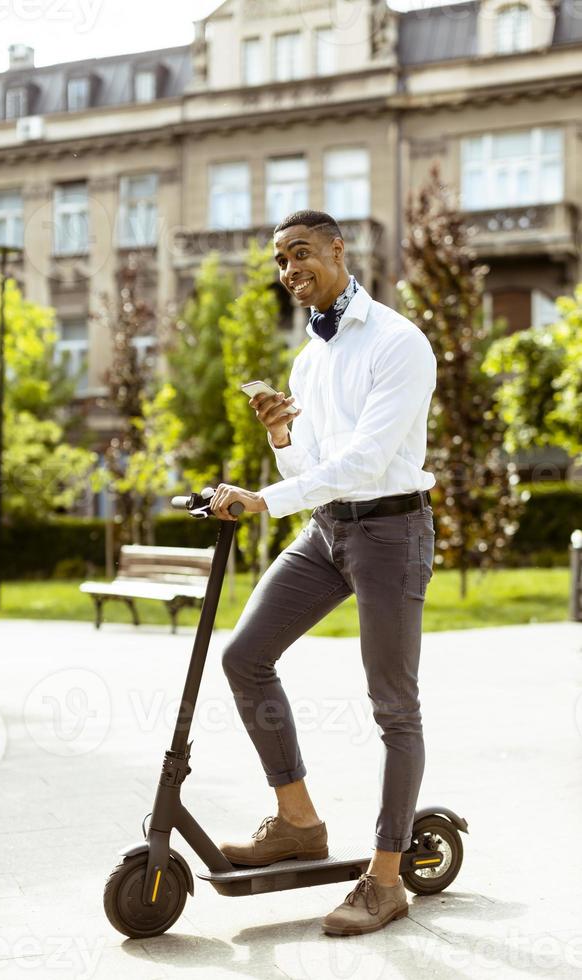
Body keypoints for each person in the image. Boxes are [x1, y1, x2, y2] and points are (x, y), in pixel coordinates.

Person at [209, 209, 437, 937]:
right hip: (328, 531)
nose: (289, 270)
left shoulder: (399, 342)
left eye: (300, 253)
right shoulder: (309, 355)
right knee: (245, 657)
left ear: (339, 250)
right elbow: (314, 469)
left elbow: (367, 464)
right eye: (280, 260)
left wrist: (263, 499)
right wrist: (280, 435)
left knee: (392, 707)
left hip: (392, 531)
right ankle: (298, 821)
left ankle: (387, 877)